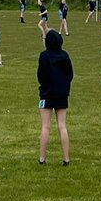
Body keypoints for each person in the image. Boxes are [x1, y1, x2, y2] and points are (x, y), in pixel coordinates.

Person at [37, 29, 73, 166]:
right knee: (62, 126)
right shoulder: (65, 55)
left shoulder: (44, 56)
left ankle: (42, 158)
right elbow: (70, 75)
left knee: (45, 126)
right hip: (61, 94)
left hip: (46, 94)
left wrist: (45, 86)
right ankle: (66, 158)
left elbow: (41, 75)